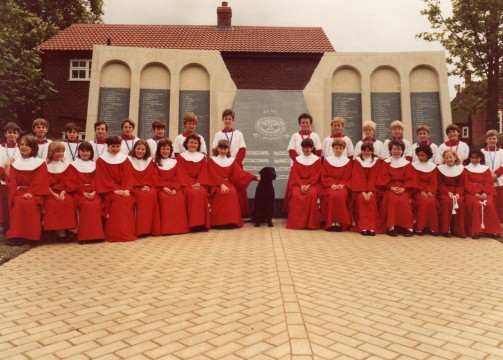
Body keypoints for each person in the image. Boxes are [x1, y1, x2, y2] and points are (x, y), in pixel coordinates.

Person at [4, 135, 50, 245]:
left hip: (36, 192)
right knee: (19, 203)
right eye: (22, 144)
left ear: (33, 147)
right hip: (20, 191)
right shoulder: (15, 162)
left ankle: (31, 237)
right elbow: (12, 181)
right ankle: (16, 236)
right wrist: (7, 166)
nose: (23, 147)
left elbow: (41, 181)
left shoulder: (40, 162)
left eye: (27, 145)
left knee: (30, 204)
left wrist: (31, 193)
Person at [208, 140, 257, 228]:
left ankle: (231, 221)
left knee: (232, 192)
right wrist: (221, 184)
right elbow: (212, 174)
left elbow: (240, 173)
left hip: (227, 183)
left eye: (225, 149)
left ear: (228, 150)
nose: (223, 151)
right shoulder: (212, 160)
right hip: (215, 183)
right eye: (221, 148)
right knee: (223, 193)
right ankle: (217, 222)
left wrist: (254, 177)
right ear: (218, 149)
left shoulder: (231, 160)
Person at [96, 135, 136, 242]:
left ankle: (127, 233)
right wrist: (114, 190)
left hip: (123, 188)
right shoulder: (101, 160)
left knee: (127, 199)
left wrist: (127, 189)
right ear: (108, 147)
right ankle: (114, 235)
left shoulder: (124, 158)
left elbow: (128, 175)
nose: (115, 149)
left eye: (118, 146)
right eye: (113, 146)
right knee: (118, 200)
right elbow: (102, 177)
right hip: (109, 190)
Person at [211, 109, 250, 216]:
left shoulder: (238, 133)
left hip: (236, 164)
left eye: (230, 119)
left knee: (238, 188)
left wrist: (234, 164)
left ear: (233, 120)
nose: (227, 121)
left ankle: (241, 213)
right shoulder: (218, 134)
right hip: (222, 165)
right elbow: (214, 149)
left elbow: (242, 149)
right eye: (226, 119)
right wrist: (220, 162)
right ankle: (226, 213)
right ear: (223, 120)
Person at [66, 142, 105, 244]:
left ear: (91, 152)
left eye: (87, 151)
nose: (85, 153)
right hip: (79, 192)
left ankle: (97, 235)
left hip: (93, 192)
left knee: (96, 203)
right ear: (78, 152)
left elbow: (98, 179)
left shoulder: (95, 165)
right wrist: (82, 192)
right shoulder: (73, 165)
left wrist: (94, 191)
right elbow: (72, 181)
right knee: (85, 204)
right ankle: (83, 236)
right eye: (82, 151)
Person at [378, 139, 417, 237]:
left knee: (404, 200)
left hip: (404, 188)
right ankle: (391, 226)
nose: (396, 151)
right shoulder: (386, 163)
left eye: (399, 149)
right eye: (394, 149)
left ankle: (408, 227)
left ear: (402, 151)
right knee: (393, 199)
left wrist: (404, 188)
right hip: (389, 188)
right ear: (390, 150)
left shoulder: (407, 164)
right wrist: (391, 187)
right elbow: (383, 178)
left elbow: (410, 179)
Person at [464, 148, 502, 239]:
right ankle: (475, 231)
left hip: (485, 192)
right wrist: (475, 193)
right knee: (476, 204)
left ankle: (492, 231)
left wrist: (485, 193)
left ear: (481, 158)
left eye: (477, 158)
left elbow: (488, 182)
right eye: (472, 158)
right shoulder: (466, 169)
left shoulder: (485, 169)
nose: (474, 160)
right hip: (471, 193)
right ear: (470, 158)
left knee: (489, 205)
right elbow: (467, 183)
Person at [154, 139, 190, 235]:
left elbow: (177, 177)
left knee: (179, 197)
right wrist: (163, 188)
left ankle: (180, 229)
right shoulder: (154, 162)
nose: (165, 151)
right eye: (163, 149)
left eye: (167, 149)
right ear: (159, 150)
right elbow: (154, 178)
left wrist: (174, 188)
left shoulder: (174, 162)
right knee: (165, 199)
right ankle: (167, 229)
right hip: (161, 188)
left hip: (173, 187)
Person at [285, 138, 321, 230]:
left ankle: (310, 224)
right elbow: (295, 175)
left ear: (312, 148)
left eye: (308, 147)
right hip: (298, 184)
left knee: (311, 195)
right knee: (296, 195)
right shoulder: (297, 159)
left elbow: (316, 175)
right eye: (304, 147)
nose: (306, 149)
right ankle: (297, 223)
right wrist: (301, 185)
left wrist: (308, 185)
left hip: (313, 184)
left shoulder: (317, 160)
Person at [44, 141, 77, 241]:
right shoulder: (45, 164)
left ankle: (64, 230)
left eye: (62, 151)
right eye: (58, 151)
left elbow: (68, 180)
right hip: (49, 191)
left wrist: (63, 192)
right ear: (51, 152)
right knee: (51, 203)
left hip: (64, 191)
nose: (61, 154)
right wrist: (53, 194)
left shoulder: (66, 164)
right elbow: (43, 182)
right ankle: (54, 231)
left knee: (68, 201)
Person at [177, 134, 210, 231]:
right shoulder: (180, 157)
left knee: (202, 192)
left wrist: (199, 183)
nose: (193, 145)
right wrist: (190, 184)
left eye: (195, 143)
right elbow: (180, 172)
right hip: (186, 183)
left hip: (199, 182)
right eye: (191, 142)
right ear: (186, 144)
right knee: (192, 193)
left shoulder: (202, 157)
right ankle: (193, 225)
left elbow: (204, 172)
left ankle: (202, 224)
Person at [350, 141, 383, 236]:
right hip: (360, 189)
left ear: (372, 151)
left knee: (371, 199)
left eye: (369, 150)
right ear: (361, 151)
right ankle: (364, 226)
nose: (366, 152)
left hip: (373, 189)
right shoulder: (357, 161)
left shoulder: (377, 161)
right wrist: (363, 191)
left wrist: (370, 191)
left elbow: (374, 177)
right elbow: (358, 176)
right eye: (364, 150)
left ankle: (372, 227)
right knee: (362, 199)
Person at [129, 140, 160, 237]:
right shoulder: (128, 160)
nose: (140, 151)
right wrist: (140, 186)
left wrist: (147, 186)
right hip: (134, 187)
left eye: (143, 149)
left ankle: (150, 229)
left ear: (146, 151)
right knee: (142, 196)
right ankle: (141, 230)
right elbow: (128, 176)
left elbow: (153, 176)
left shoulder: (150, 161)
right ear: (134, 149)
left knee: (151, 194)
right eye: (138, 149)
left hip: (148, 187)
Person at [321, 139, 352, 232]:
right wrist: (331, 184)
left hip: (343, 186)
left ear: (343, 149)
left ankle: (338, 222)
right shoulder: (327, 161)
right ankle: (331, 223)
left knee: (341, 196)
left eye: (340, 148)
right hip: (330, 185)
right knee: (332, 195)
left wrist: (343, 185)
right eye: (336, 148)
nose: (338, 150)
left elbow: (349, 177)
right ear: (333, 149)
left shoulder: (347, 162)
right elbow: (324, 176)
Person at [437, 149, 466, 238]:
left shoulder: (460, 169)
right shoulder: (440, 169)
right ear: (444, 159)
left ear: (455, 157)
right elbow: (440, 184)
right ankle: (446, 229)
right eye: (446, 158)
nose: (449, 159)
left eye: (451, 157)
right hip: (444, 192)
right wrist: (447, 192)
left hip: (457, 191)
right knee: (447, 202)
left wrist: (457, 193)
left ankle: (459, 230)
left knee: (460, 202)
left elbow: (460, 184)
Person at [411, 145, 439, 235]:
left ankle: (432, 227)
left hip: (430, 191)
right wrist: (421, 191)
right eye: (419, 155)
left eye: (423, 155)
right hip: (418, 190)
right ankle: (420, 227)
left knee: (431, 201)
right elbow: (414, 180)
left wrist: (430, 191)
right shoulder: (413, 166)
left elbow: (434, 181)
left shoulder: (433, 167)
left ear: (428, 155)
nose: (420, 157)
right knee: (423, 201)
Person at [0, 122, 21, 234]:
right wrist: (6, 176)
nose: (12, 135)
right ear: (5, 134)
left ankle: (16, 224)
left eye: (14, 132)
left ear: (18, 134)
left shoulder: (22, 147)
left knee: (15, 202)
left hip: (18, 180)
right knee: (5, 203)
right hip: (4, 179)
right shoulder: (1, 148)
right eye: (9, 132)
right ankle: (6, 224)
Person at [481, 129, 503, 223]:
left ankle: (500, 221)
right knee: (489, 201)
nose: (492, 140)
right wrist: (489, 175)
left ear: (497, 140)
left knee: (499, 201)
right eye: (490, 138)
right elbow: (480, 163)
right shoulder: (482, 151)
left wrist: (496, 174)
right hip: (486, 179)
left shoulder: (501, 152)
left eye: (494, 138)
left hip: (499, 179)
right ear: (486, 140)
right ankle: (488, 221)